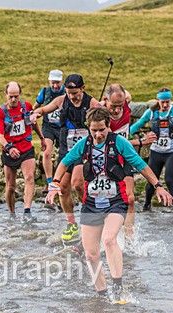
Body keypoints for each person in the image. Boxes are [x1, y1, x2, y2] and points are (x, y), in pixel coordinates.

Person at [47, 107, 173, 303]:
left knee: (108, 240)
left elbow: (140, 165)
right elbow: (64, 163)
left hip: (116, 201)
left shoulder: (119, 143)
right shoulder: (84, 144)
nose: (97, 135)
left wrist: (158, 186)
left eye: (101, 130)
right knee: (90, 254)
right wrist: (54, 184)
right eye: (94, 130)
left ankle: (117, 287)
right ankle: (102, 295)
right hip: (91, 203)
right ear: (89, 128)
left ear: (108, 127)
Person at [31, 74, 101, 244]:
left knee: (77, 183)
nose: (72, 96)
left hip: (85, 151)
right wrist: (36, 114)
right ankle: (72, 224)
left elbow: (103, 113)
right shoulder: (62, 100)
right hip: (66, 150)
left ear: (82, 89)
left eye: (75, 93)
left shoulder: (90, 103)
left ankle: (93, 213)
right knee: (62, 187)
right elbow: (45, 108)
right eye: (69, 93)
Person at [130, 88, 173, 213]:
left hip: (172, 152)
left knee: (169, 180)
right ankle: (147, 205)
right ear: (158, 100)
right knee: (152, 180)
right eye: (163, 102)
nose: (165, 104)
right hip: (156, 152)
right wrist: (124, 137)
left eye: (168, 101)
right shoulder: (151, 113)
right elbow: (138, 125)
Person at [103, 83, 156, 236]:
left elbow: (127, 94)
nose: (117, 110)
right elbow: (118, 142)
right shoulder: (103, 118)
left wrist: (124, 96)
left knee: (130, 198)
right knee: (109, 198)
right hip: (110, 158)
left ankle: (129, 236)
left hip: (125, 158)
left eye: (120, 105)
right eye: (113, 106)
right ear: (106, 101)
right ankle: (108, 231)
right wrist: (141, 142)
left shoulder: (125, 102)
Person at [0, 81, 44, 222]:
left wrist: (41, 138)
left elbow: (33, 123)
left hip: (26, 149)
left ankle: (27, 211)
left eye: (16, 96)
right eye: (10, 96)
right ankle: (12, 213)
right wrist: (9, 148)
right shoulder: (1, 112)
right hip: (10, 150)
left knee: (29, 178)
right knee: (10, 187)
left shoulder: (26, 107)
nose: (13, 99)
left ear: (19, 95)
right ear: (6, 95)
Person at [34, 70, 65, 193]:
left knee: (63, 154)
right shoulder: (45, 92)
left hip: (63, 127)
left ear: (61, 82)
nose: (55, 86)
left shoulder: (66, 93)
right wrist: (33, 114)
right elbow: (36, 105)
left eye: (57, 83)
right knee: (47, 153)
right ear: (49, 81)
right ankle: (49, 182)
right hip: (48, 127)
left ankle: (60, 180)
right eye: (53, 83)